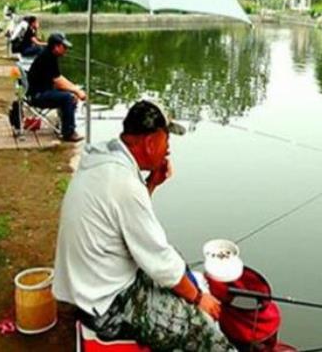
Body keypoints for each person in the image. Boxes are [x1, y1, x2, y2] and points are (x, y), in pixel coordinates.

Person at [52, 100, 235, 351]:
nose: (168, 150)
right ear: (150, 143)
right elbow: (158, 261)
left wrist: (151, 185)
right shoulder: (124, 184)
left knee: (176, 265)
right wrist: (199, 298)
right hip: (107, 306)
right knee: (202, 329)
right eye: (166, 141)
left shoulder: (104, 160)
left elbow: (124, 225)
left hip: (89, 286)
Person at [26, 33, 86, 142]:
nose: (66, 50)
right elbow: (57, 81)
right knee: (68, 98)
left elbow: (58, 77)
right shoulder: (47, 57)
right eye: (64, 47)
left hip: (42, 91)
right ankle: (68, 133)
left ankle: (63, 125)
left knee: (70, 95)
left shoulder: (49, 55)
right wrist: (77, 91)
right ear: (56, 46)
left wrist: (74, 88)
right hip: (37, 96)